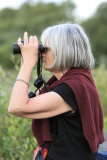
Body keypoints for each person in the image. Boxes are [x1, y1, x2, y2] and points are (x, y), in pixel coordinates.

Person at [8, 22, 104, 160]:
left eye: (45, 49)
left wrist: (28, 65)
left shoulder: (70, 89)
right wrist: (25, 61)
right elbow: (24, 101)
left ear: (63, 51)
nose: (41, 54)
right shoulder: (75, 81)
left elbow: (17, 107)